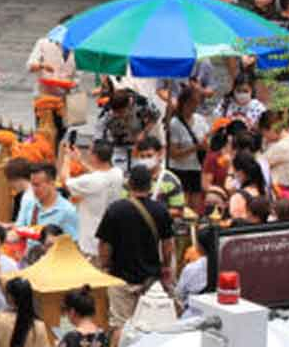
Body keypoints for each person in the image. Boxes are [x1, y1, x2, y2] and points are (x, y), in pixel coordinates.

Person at [97, 163, 174, 331]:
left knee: (120, 326)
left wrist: (105, 266)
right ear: (150, 185)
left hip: (120, 278)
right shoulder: (161, 210)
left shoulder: (115, 210)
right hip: (150, 281)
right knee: (150, 327)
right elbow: (168, 245)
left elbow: (104, 245)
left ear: (130, 184)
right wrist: (166, 266)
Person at [61, 140, 123, 259]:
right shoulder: (117, 173)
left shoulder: (91, 180)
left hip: (91, 241)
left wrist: (67, 158)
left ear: (95, 156)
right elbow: (99, 175)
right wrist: (80, 161)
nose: (87, 153)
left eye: (89, 151)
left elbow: (65, 182)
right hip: (110, 238)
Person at [14, 163, 79, 251]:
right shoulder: (30, 203)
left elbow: (74, 245)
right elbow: (18, 230)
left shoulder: (67, 211)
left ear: (52, 184)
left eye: (37, 185)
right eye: (32, 184)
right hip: (30, 260)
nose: (33, 189)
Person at [261, 110, 289, 204]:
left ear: (271, 129)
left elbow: (259, 164)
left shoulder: (282, 147)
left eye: (264, 133)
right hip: (286, 192)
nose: (264, 137)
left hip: (279, 193)